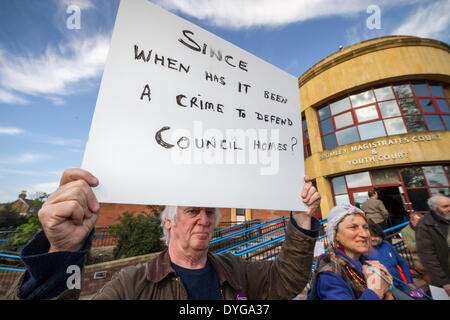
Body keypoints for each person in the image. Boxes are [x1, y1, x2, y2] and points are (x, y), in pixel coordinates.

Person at [7, 168, 321, 300]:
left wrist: (301, 219)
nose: (204, 220)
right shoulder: (133, 283)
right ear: (168, 222)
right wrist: (60, 254)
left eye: (209, 212)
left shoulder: (235, 269)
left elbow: (286, 281)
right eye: (192, 211)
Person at [307, 204, 393, 300]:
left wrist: (387, 292)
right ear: (336, 235)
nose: (364, 234)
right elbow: (376, 291)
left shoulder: (365, 260)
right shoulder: (330, 272)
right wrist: (376, 291)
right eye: (353, 227)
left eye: (365, 227)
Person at [365, 220, 416, 292]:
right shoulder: (364, 251)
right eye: (370, 236)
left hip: (402, 285)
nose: (373, 239)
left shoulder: (386, 244)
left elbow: (402, 262)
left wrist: (409, 281)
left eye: (375, 236)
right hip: (387, 291)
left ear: (380, 235)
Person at [416, 194, 450, 298]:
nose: (449, 209)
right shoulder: (424, 225)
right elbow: (428, 257)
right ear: (433, 208)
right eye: (445, 206)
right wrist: (444, 282)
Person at [402, 211, 431, 290]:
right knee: (434, 285)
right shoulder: (406, 231)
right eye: (419, 221)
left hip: (435, 258)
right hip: (422, 261)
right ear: (412, 221)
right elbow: (411, 247)